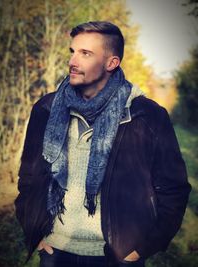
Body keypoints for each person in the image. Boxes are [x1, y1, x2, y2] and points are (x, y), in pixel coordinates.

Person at [15, 21, 191, 267]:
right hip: (56, 251)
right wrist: (35, 229)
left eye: (85, 54)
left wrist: (143, 247)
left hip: (117, 256)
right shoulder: (46, 109)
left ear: (112, 63)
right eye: (73, 51)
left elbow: (174, 188)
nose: (73, 61)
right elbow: (30, 177)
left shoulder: (146, 116)